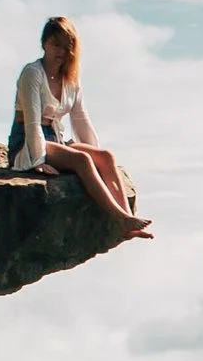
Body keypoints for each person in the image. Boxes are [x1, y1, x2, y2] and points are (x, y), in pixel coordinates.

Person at [10, 16, 152, 235]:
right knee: (82, 160)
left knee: (106, 157)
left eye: (66, 47)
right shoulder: (32, 73)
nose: (61, 52)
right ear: (44, 43)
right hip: (28, 141)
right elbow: (31, 120)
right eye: (56, 44)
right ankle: (120, 219)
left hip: (54, 138)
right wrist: (36, 159)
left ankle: (129, 220)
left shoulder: (70, 79)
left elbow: (80, 118)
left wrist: (96, 154)